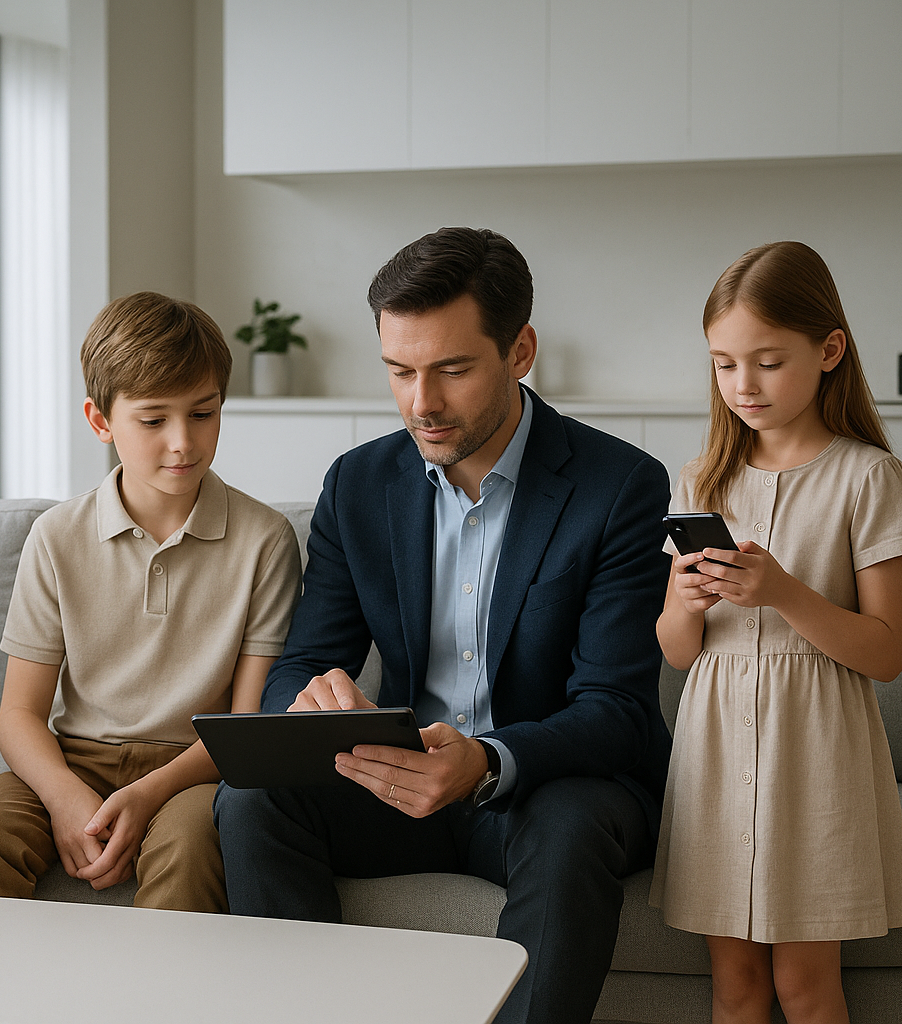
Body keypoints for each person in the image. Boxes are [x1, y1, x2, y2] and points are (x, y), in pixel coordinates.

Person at [213, 227, 673, 1024]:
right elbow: (302, 660)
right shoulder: (358, 483)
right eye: (399, 370)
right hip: (400, 781)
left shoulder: (619, 485)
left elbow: (618, 711)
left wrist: (487, 763)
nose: (421, 402)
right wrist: (315, 698)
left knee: (570, 828)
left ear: (519, 350)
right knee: (251, 800)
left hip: (545, 787)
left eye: (452, 370)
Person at [0, 291, 302, 911]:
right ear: (101, 421)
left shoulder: (265, 540)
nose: (183, 443)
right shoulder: (56, 537)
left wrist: (149, 795)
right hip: (75, 758)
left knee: (190, 853)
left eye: (203, 414)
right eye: (154, 420)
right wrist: (63, 797)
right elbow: (18, 716)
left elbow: (245, 728)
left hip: (194, 766)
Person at [650, 241, 902, 1024]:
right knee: (733, 986)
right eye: (724, 364)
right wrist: (684, 599)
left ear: (829, 349)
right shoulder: (702, 477)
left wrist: (783, 593)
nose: (743, 385)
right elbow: (676, 652)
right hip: (712, 750)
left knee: (805, 988)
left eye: (768, 361)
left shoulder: (870, 477)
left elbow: (887, 652)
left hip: (817, 755)